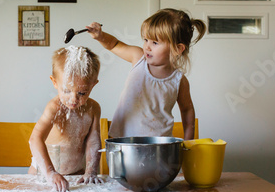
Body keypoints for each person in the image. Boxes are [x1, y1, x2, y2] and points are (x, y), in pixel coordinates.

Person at [86, 8, 206, 140]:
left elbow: (187, 110)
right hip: (123, 140)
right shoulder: (138, 58)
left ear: (177, 49)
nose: (147, 46)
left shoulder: (179, 80)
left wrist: (188, 143)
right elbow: (114, 45)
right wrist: (100, 36)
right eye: (146, 40)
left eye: (155, 42)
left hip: (159, 146)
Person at [28, 46, 103, 192]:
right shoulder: (54, 108)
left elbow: (93, 140)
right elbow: (35, 139)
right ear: (54, 82)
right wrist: (50, 173)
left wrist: (91, 171)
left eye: (82, 93)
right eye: (67, 91)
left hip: (77, 174)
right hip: (45, 175)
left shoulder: (94, 108)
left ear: (93, 85)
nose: (73, 99)